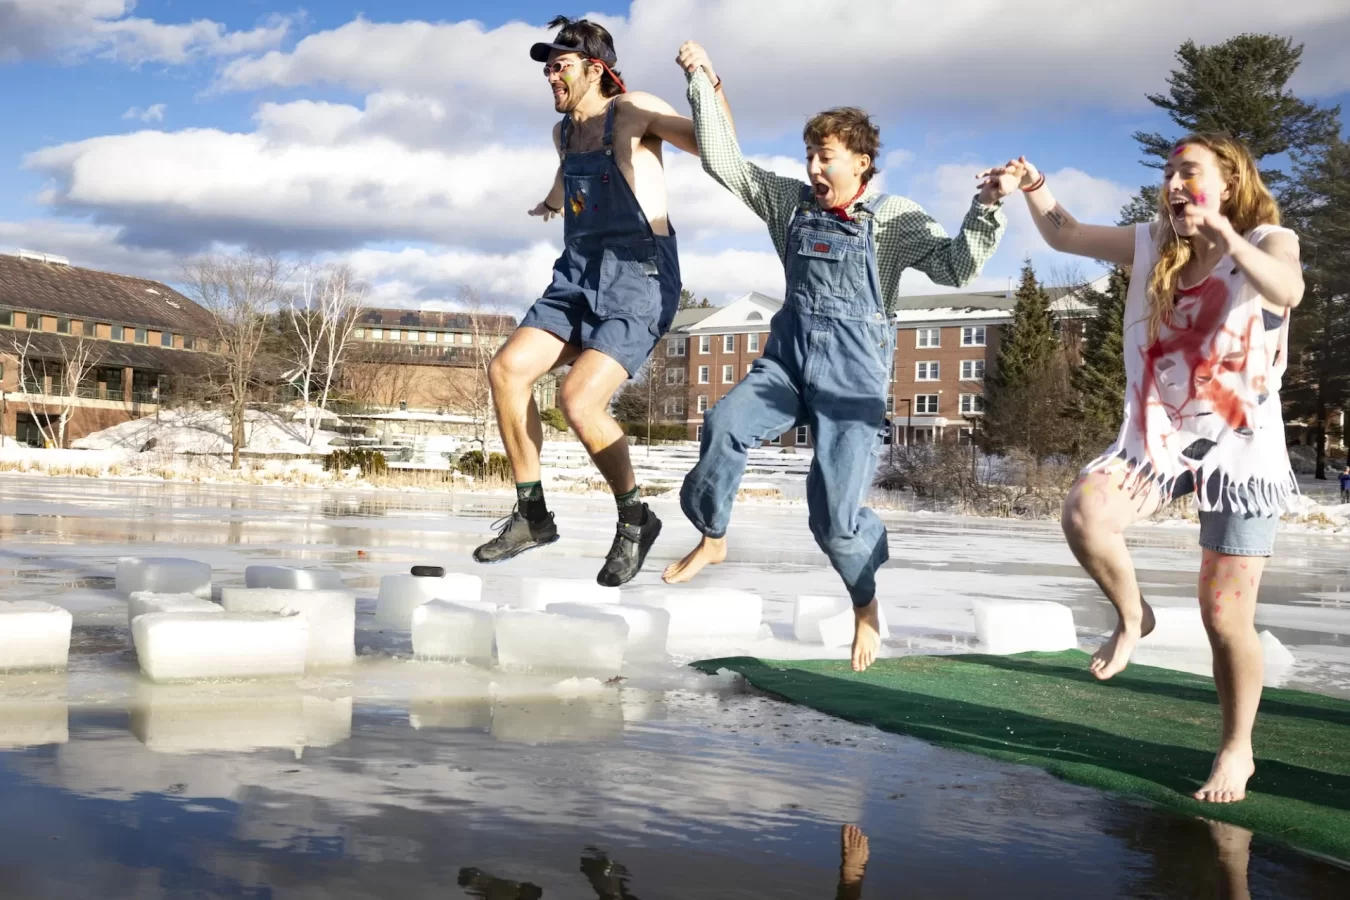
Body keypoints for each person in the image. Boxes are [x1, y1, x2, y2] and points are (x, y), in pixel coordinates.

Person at [662, 41, 1013, 673]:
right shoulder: (791, 205)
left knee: (833, 518)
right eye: (809, 157)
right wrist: (704, 82)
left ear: (861, 162)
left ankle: (865, 601)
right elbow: (723, 161)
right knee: (723, 425)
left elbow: (957, 265)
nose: (815, 169)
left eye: (825, 158)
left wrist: (985, 206)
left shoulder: (893, 220)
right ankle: (713, 536)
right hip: (788, 362)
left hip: (853, 381)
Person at [993, 134, 1303, 802]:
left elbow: (1289, 288)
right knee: (1085, 515)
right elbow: (1066, 234)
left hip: (1242, 452)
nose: (1171, 182)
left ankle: (1236, 748)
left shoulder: (1270, 238)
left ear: (1228, 182)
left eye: (1187, 170)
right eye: (1167, 172)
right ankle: (1134, 617)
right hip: (1159, 443)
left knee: (1224, 620)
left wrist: (1225, 233)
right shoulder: (1152, 244)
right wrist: (1033, 183)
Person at [475, 17, 727, 587]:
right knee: (508, 370)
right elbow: (570, 177)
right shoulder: (564, 133)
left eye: (559, 64)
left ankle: (635, 518)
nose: (549, 74)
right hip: (576, 275)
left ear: (596, 69)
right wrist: (548, 202)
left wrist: (708, 80)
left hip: (639, 277)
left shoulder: (633, 111)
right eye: (546, 65)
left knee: (578, 400)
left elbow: (714, 145)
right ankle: (533, 516)